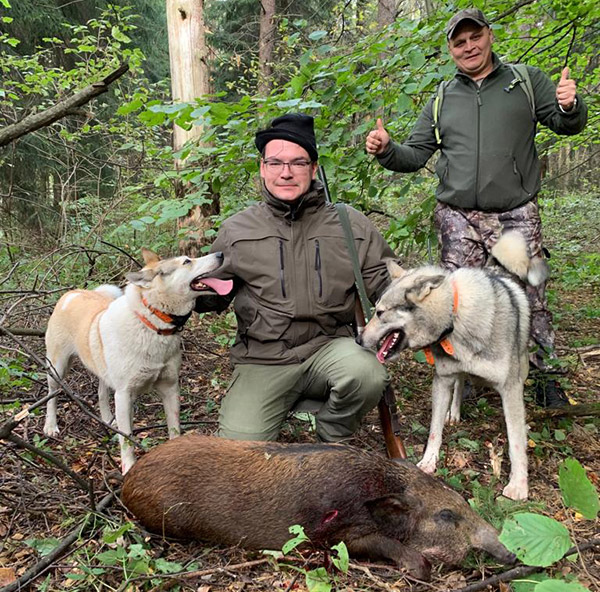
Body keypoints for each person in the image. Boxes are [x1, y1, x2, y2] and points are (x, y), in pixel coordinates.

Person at [365, 8, 588, 408]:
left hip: (515, 212)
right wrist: (386, 150)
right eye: (459, 41)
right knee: (455, 300)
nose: (468, 46)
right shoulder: (442, 98)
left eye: (474, 37)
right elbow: (414, 154)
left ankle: (545, 377)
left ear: (489, 36)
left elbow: (565, 123)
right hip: (458, 216)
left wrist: (570, 106)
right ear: (451, 49)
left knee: (531, 294)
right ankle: (461, 375)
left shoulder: (525, 81)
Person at [196, 113, 398, 441]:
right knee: (239, 450)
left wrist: (426, 301)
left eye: (298, 162)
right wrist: (189, 294)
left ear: (314, 168)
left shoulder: (350, 224)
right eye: (275, 163)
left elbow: (387, 284)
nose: (286, 172)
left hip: (330, 347)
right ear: (263, 169)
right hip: (264, 358)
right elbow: (214, 292)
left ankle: (333, 439)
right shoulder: (237, 229)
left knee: (368, 374)